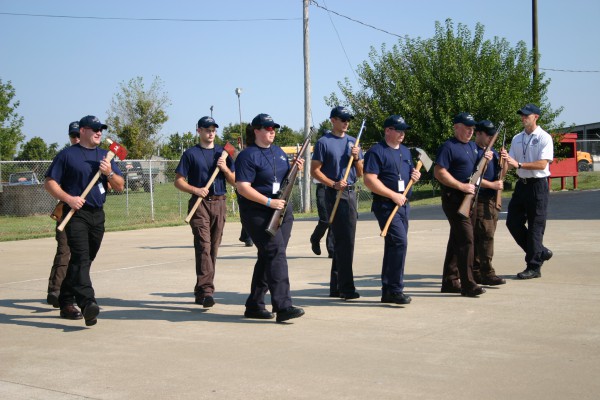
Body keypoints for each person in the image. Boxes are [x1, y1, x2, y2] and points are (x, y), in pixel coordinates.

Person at [44, 115, 124, 326]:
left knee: (85, 260)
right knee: (80, 256)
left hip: (97, 214)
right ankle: (88, 303)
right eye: (95, 129)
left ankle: (66, 298)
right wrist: (68, 198)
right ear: (83, 131)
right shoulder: (67, 155)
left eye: (101, 129)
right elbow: (50, 182)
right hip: (75, 215)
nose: (99, 132)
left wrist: (108, 174)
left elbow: (120, 185)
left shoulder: (106, 156)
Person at [235, 113, 305, 323]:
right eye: (267, 128)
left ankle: (255, 305)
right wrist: (268, 202)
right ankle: (283, 306)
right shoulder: (248, 156)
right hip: (258, 211)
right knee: (275, 253)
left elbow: (283, 180)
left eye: (273, 128)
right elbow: (243, 187)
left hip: (282, 209)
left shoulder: (279, 152)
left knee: (270, 255)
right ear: (256, 131)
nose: (272, 131)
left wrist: (295, 169)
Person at [174, 116, 235, 308]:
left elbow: (235, 181)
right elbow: (178, 181)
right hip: (199, 204)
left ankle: (201, 290)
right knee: (203, 246)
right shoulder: (190, 154)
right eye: (207, 129)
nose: (210, 133)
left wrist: (225, 169)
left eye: (213, 129)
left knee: (213, 249)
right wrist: (195, 189)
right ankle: (208, 290)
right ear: (198, 130)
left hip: (220, 202)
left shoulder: (223, 153)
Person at [363, 115, 421, 304]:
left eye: (404, 130)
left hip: (403, 204)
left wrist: (415, 175)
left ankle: (388, 289)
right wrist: (392, 195)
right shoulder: (376, 151)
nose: (402, 134)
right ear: (388, 130)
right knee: (399, 243)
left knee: (395, 246)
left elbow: (408, 173)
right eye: (398, 130)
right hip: (386, 204)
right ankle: (395, 289)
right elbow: (370, 180)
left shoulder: (405, 151)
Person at [311, 106, 363, 300]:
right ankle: (346, 288)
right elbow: (315, 171)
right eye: (342, 119)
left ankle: (336, 285)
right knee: (345, 242)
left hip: (350, 193)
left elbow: (360, 172)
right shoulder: (324, 142)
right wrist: (333, 183)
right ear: (333, 120)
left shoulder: (353, 142)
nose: (346, 122)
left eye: (348, 119)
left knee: (342, 241)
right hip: (335, 193)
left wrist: (356, 157)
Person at [433, 112, 486, 297]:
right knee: (467, 239)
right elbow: (439, 172)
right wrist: (461, 186)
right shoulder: (448, 147)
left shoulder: (472, 146)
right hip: (454, 199)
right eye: (467, 127)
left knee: (457, 239)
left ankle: (449, 281)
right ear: (456, 127)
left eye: (472, 127)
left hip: (469, 199)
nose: (471, 130)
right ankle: (468, 284)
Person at [500, 104, 554, 279]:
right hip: (522, 185)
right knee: (512, 222)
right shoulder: (517, 138)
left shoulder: (544, 137)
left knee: (535, 227)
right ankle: (539, 252)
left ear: (536, 117)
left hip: (538, 185)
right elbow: (510, 162)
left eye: (526, 115)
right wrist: (503, 166)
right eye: (522, 115)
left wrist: (519, 165)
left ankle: (534, 266)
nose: (523, 118)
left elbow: (542, 164)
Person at [46, 121, 80, 308]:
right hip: (66, 211)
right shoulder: (65, 157)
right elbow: (51, 182)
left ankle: (72, 290)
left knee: (82, 255)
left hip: (87, 214)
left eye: (78, 135)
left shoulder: (90, 158)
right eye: (72, 136)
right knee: (63, 251)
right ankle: (55, 290)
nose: (75, 139)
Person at [472, 120, 506, 286]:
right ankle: (486, 272)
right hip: (481, 197)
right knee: (485, 235)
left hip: (493, 199)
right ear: (478, 133)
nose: (492, 137)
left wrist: (505, 161)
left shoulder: (492, 152)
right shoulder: (474, 151)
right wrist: (491, 185)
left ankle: (478, 271)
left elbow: (501, 174)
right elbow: (473, 177)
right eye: (488, 134)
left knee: (485, 235)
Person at [309, 175, 335, 258]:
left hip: (337, 187)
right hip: (323, 187)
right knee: (325, 219)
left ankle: (332, 249)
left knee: (334, 219)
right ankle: (315, 238)